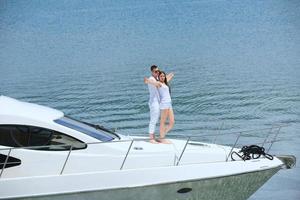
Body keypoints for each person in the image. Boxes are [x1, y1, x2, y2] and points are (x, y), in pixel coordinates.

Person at [144, 70, 174, 144]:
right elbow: (147, 81)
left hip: (169, 103)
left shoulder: (165, 82)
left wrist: (172, 74)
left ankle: (161, 135)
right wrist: (147, 80)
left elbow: (168, 77)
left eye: (163, 76)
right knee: (162, 122)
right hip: (164, 104)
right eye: (161, 76)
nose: (162, 77)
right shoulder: (158, 84)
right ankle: (162, 138)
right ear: (158, 77)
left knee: (172, 122)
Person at [145, 65, 160, 143]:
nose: (157, 72)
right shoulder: (151, 79)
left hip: (157, 102)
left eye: (158, 71)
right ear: (152, 72)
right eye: (155, 71)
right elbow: (157, 84)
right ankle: (151, 138)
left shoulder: (156, 78)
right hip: (153, 103)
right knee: (153, 120)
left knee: (156, 119)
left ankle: (153, 136)